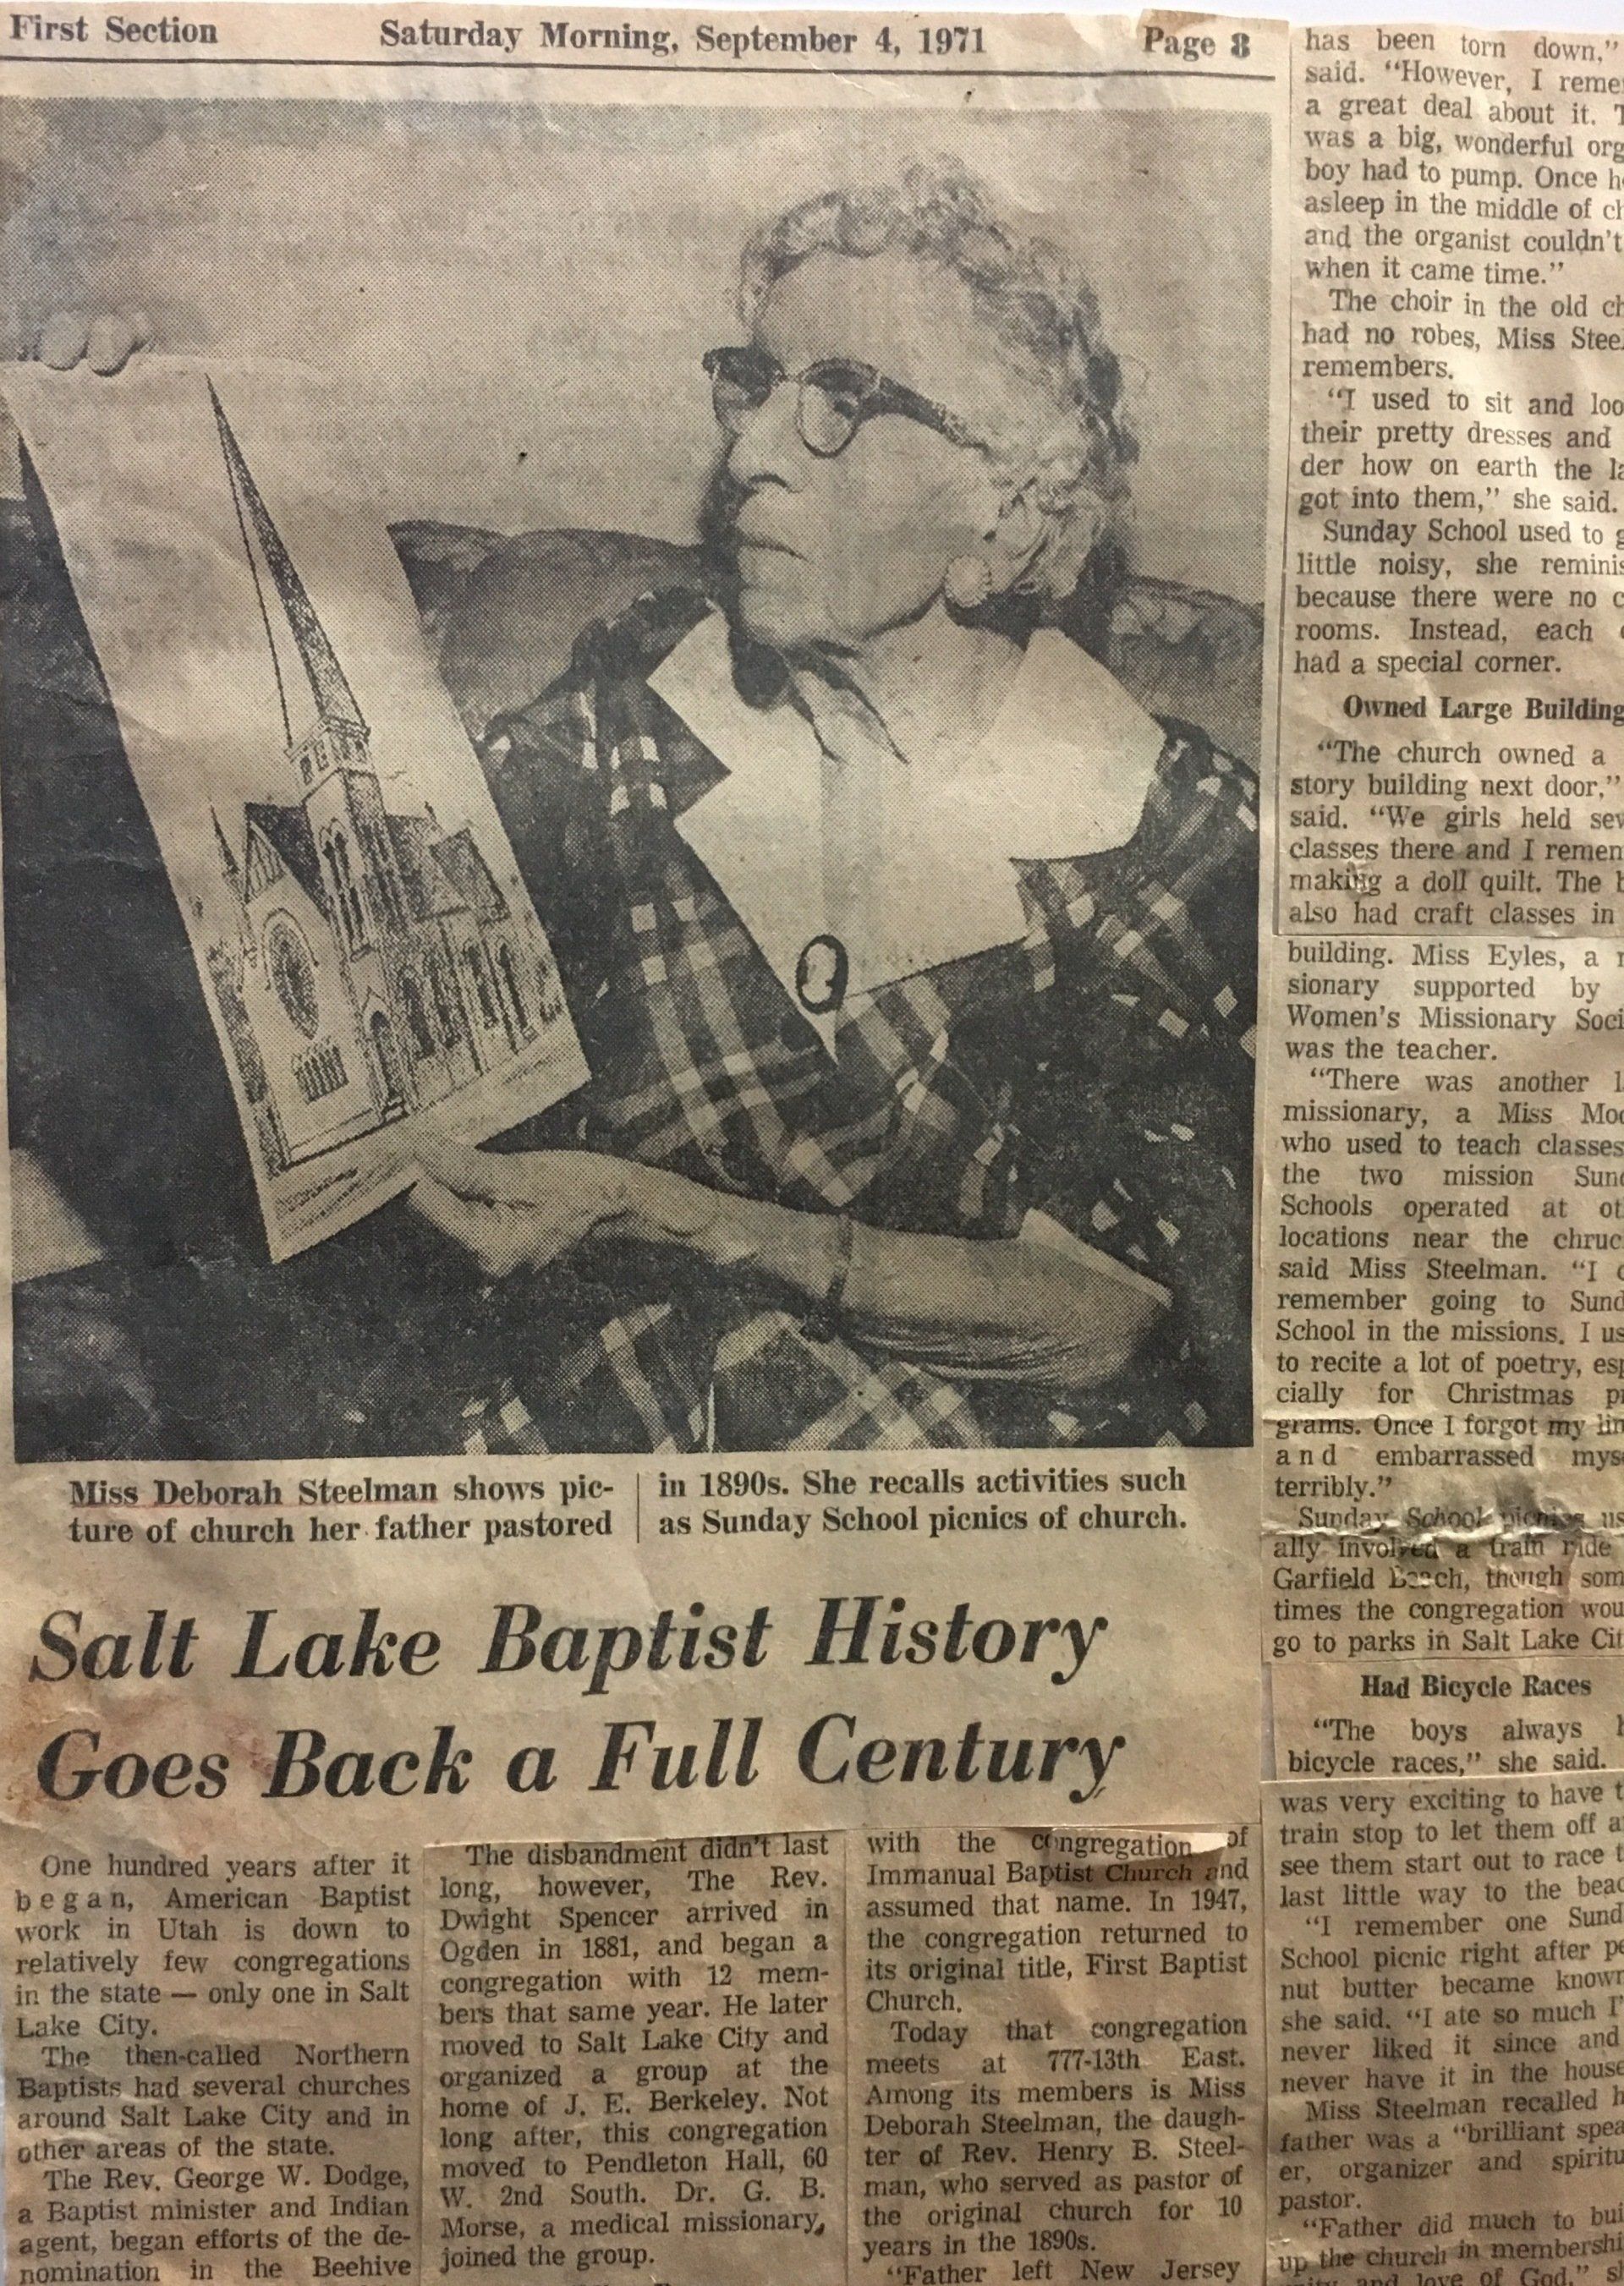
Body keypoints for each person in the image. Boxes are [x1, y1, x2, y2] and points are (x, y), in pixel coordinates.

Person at [31, 161, 1257, 1455]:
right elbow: (367, 888)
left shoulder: (1159, 829)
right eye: (755, 384)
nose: (746, 453)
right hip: (566, 1421)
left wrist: (687, 1220)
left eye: (842, 398)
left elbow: (1120, 1317)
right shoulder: (648, 691)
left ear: (1005, 520)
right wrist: (142, 498)